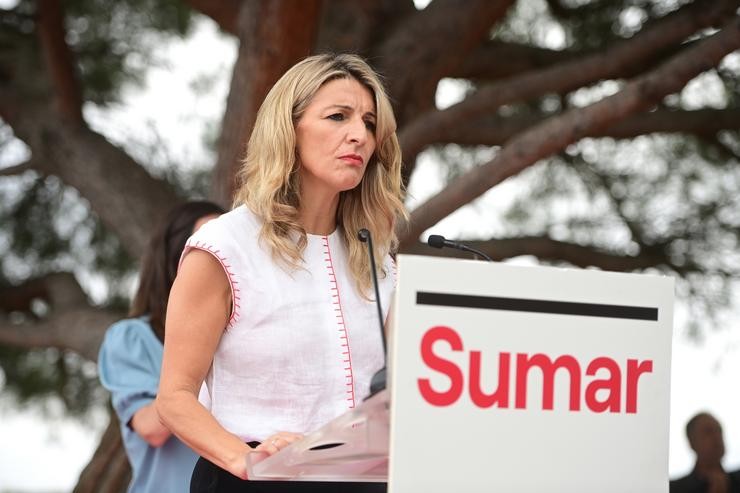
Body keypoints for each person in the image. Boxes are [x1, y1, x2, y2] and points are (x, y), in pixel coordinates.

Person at [156, 53, 406, 492]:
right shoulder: (223, 247)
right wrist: (248, 459)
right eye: (338, 116)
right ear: (288, 129)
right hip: (252, 481)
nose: (359, 135)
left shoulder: (378, 261)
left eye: (369, 122)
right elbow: (174, 398)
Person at [98, 200, 225, 492]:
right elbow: (150, 428)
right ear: (175, 256)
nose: (219, 256)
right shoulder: (133, 338)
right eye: (207, 244)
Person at [670, 412, 740, 493]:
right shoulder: (674, 489)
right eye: (708, 432)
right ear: (691, 442)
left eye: (719, 430)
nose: (717, 436)